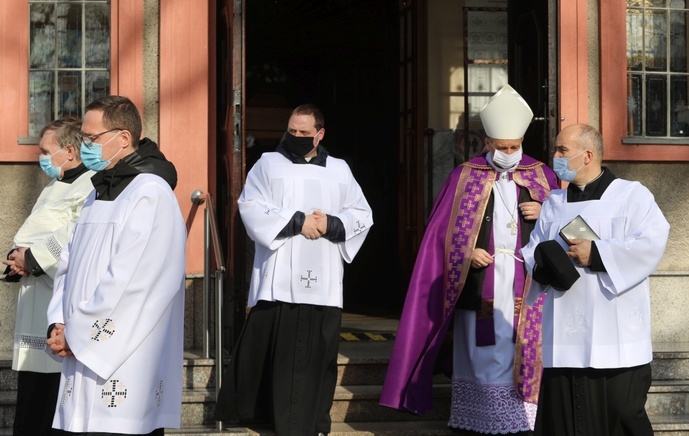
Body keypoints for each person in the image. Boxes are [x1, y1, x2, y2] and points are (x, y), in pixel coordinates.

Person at [380, 85, 559, 435]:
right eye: (502, 147)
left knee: (522, 350)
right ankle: (480, 423)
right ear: (488, 142)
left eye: (515, 147)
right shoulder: (465, 176)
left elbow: (566, 229)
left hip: (528, 283)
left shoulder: (542, 176)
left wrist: (545, 211)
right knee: (484, 351)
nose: (509, 153)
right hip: (481, 284)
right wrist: (464, 254)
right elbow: (438, 237)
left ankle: (523, 422)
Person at [215, 103, 373, 436]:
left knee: (319, 356)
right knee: (276, 353)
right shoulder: (268, 165)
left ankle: (315, 422)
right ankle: (265, 417)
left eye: (304, 132)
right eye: (292, 131)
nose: (297, 137)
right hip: (279, 281)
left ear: (320, 134)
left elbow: (362, 214)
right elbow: (251, 206)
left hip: (324, 283)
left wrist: (330, 223)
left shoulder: (340, 169)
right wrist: (299, 222)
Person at [45, 95, 186, 436]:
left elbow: (133, 283)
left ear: (123, 138)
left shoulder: (149, 193)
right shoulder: (97, 193)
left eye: (91, 139)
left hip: (121, 361)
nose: (84, 146)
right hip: (79, 345)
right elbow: (68, 263)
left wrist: (78, 335)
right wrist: (57, 323)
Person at [519, 123, 670, 435]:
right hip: (565, 335)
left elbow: (652, 243)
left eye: (562, 150)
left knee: (622, 416)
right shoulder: (553, 203)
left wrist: (596, 254)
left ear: (587, 155)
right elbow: (532, 252)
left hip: (614, 335)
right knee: (565, 422)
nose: (555, 156)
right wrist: (548, 265)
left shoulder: (632, 196)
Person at [2, 117, 95, 436]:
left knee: (50, 396)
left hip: (59, 302)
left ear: (69, 151)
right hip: (35, 297)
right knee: (31, 394)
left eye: (45, 151)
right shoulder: (55, 185)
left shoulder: (92, 184)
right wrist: (18, 258)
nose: (41, 158)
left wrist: (32, 257)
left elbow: (75, 233)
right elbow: (36, 228)